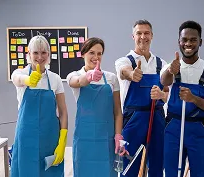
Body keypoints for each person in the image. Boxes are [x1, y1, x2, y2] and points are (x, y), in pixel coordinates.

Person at [161, 20, 204, 177]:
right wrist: (170, 70)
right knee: (171, 173)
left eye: (193, 39)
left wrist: (194, 99)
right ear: (179, 42)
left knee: (201, 173)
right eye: (184, 39)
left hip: (199, 130)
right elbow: (164, 82)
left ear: (200, 42)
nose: (188, 43)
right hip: (173, 129)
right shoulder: (172, 67)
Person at [67, 37, 127, 177]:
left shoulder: (111, 78)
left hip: (106, 138)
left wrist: (118, 135)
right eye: (91, 53)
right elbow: (76, 82)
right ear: (83, 54)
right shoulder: (74, 75)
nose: (96, 57)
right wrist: (89, 77)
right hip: (84, 139)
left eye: (99, 54)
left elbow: (117, 111)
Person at [115, 19, 168, 177]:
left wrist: (161, 95)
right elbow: (124, 72)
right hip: (133, 121)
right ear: (133, 36)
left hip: (157, 119)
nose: (143, 37)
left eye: (146, 33)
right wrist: (132, 74)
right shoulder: (124, 61)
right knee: (130, 165)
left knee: (158, 165)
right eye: (139, 33)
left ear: (152, 36)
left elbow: (167, 95)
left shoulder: (161, 64)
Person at [11, 35, 68, 177]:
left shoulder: (55, 79)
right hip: (26, 136)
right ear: (29, 54)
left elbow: (63, 112)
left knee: (50, 172)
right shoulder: (21, 73)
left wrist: (62, 140)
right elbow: (17, 79)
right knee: (26, 170)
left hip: (50, 136)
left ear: (48, 54)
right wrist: (28, 80)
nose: (40, 57)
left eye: (43, 52)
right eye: (35, 52)